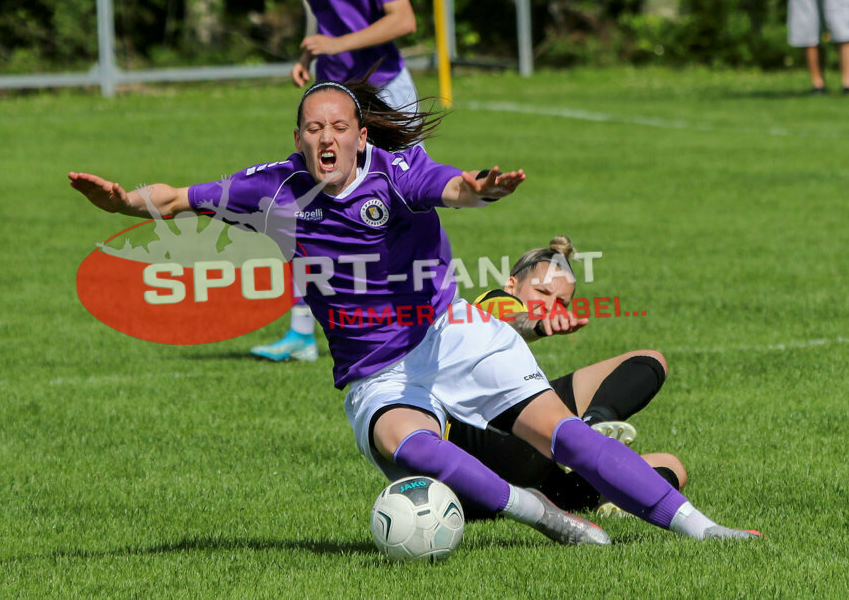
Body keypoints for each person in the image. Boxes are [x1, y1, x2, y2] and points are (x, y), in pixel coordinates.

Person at [69, 80, 760, 544]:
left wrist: (479, 190)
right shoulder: (271, 188)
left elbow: (452, 189)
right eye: (314, 128)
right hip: (375, 370)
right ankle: (548, 516)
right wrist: (126, 201)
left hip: (452, 334)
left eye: (340, 125)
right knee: (410, 446)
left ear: (362, 133)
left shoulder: (397, 173)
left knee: (569, 438)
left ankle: (705, 531)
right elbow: (182, 195)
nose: (327, 138)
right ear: (300, 137)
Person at [254, 0, 419, 363]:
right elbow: (329, 23)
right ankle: (302, 333)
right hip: (334, 100)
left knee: (404, 203)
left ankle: (420, 312)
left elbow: (404, 19)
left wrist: (338, 43)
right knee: (307, 205)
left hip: (382, 91)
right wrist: (308, 55)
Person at [445, 237, 685, 519]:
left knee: (671, 462)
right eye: (543, 292)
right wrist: (535, 324)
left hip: (532, 481)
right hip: (474, 448)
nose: (550, 306)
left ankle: (592, 431)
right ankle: (584, 443)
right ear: (511, 285)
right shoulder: (490, 302)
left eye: (561, 302)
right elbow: (508, 317)